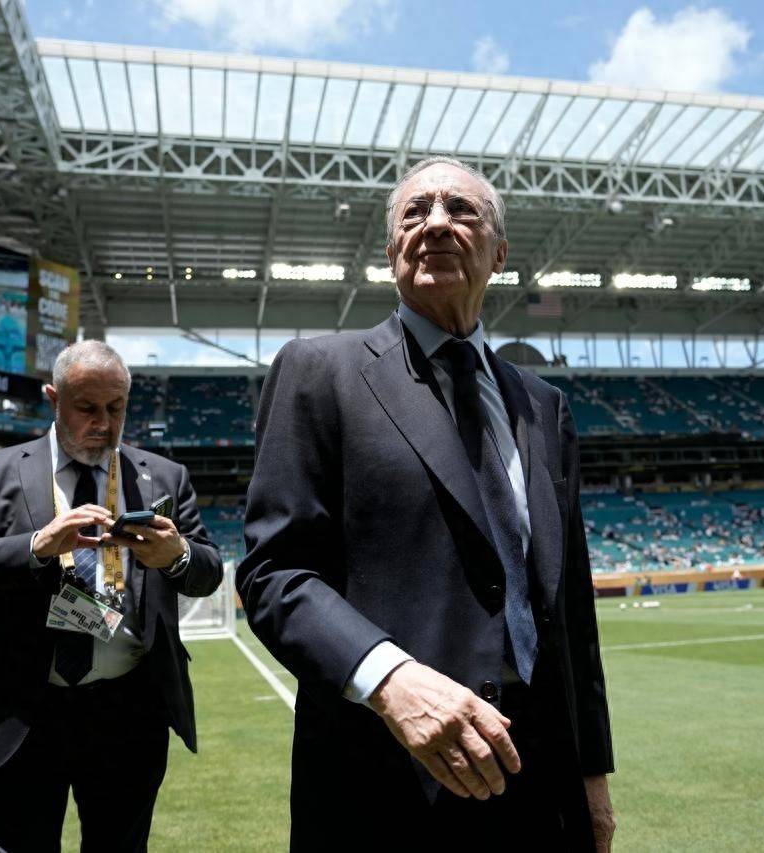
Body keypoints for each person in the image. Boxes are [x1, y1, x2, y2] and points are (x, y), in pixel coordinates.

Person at [238, 156, 616, 851]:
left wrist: (591, 776)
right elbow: (274, 574)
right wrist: (391, 678)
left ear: (498, 254)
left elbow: (570, 615)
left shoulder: (544, 405)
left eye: (460, 209)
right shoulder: (319, 372)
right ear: (392, 254)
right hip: (387, 781)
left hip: (538, 782)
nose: (436, 222)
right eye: (416, 212)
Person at [0, 340, 223, 851]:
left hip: (129, 709)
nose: (104, 423)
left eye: (116, 408)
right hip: (23, 711)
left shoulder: (164, 476)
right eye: (87, 408)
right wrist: (36, 547)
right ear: (53, 399)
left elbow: (207, 571)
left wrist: (176, 555)